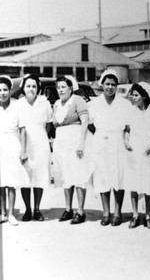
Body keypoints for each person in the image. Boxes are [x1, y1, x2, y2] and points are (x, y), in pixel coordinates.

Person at [88, 69, 131, 227]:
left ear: (117, 86)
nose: (110, 87)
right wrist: (101, 135)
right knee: (102, 177)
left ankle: (118, 211)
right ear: (102, 85)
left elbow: (128, 126)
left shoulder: (124, 104)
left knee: (118, 177)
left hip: (118, 142)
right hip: (100, 143)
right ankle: (106, 212)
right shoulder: (93, 103)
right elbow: (90, 125)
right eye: (107, 84)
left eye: (113, 84)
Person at [52, 76, 92, 224]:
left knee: (79, 175)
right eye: (58, 87)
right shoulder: (56, 104)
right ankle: (68, 209)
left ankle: (80, 211)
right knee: (66, 176)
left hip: (75, 140)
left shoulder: (78, 100)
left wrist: (81, 144)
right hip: (61, 142)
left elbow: (85, 122)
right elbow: (55, 124)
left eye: (63, 87)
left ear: (70, 88)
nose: (61, 90)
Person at [124, 83, 150, 229]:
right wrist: (126, 142)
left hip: (148, 150)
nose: (133, 98)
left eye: (136, 95)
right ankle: (135, 215)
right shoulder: (130, 111)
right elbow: (126, 130)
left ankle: (147, 215)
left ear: (144, 96)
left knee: (148, 183)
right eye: (132, 95)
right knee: (134, 183)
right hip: (134, 149)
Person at [18, 74, 52, 222]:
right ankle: (27, 209)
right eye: (28, 86)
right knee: (25, 177)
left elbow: (50, 124)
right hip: (24, 144)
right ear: (23, 88)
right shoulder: (18, 104)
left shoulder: (44, 103)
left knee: (40, 176)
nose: (31, 89)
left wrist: (42, 135)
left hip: (41, 143)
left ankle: (37, 209)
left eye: (33, 86)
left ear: (38, 88)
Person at [0, 75, 29, 226]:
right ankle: (2, 213)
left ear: (10, 90)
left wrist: (23, 150)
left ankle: (11, 214)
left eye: (5, 90)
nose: (2, 93)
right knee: (0, 182)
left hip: (12, 144)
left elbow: (23, 130)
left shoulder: (17, 106)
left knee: (11, 181)